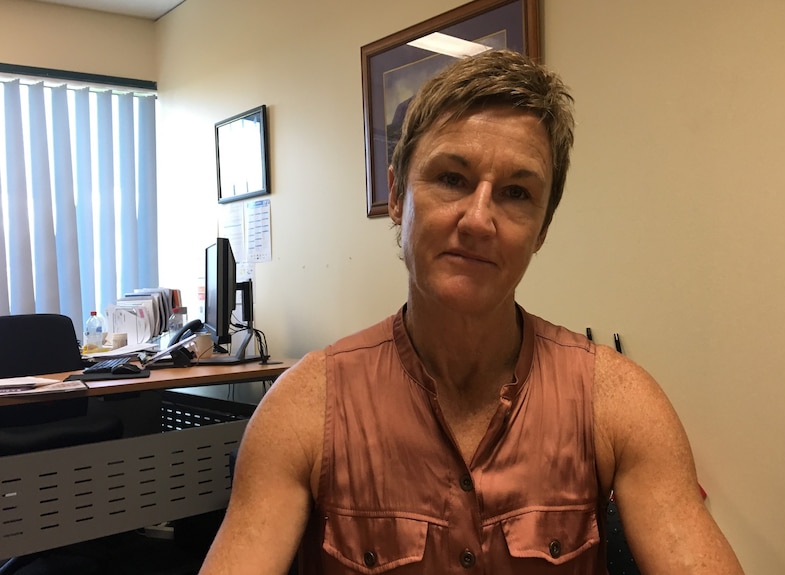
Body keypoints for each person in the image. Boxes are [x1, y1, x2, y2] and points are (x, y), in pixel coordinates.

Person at [199, 49, 744, 574]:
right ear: (396, 195)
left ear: (542, 230)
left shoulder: (619, 402)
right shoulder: (304, 409)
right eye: (451, 179)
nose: (479, 219)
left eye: (515, 193)